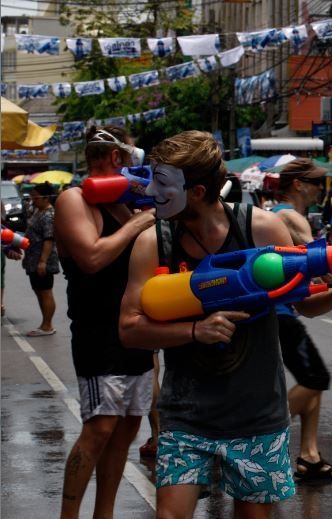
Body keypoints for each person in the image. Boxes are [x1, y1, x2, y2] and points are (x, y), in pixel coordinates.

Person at [118, 134, 332, 517]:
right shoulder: (153, 242)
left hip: (257, 414)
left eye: (161, 183)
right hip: (186, 415)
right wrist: (195, 331)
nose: (149, 191)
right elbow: (129, 328)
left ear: (194, 191)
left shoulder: (261, 229)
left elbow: (302, 303)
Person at [55, 126, 156, 519]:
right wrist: (138, 223)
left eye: (112, 153)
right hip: (97, 331)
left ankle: (105, 514)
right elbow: (92, 258)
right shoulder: (74, 199)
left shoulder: (123, 204)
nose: (108, 160)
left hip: (135, 329)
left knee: (128, 427)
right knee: (99, 427)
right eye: (97, 152)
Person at [273, 159, 332, 483]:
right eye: (316, 183)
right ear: (298, 184)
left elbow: (311, 270)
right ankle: (251, 436)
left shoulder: (280, 214)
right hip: (278, 314)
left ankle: (309, 455)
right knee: (315, 378)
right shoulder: (287, 215)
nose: (321, 189)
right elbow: (321, 259)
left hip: (282, 310)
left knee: (315, 379)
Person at [22, 182, 59, 337]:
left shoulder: (49, 215)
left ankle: (48, 326)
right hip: (32, 260)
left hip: (43, 261)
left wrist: (43, 261)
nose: (33, 201)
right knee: (39, 291)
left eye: (35, 198)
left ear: (45, 198)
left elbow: (48, 239)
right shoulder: (37, 211)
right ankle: (44, 323)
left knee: (45, 292)